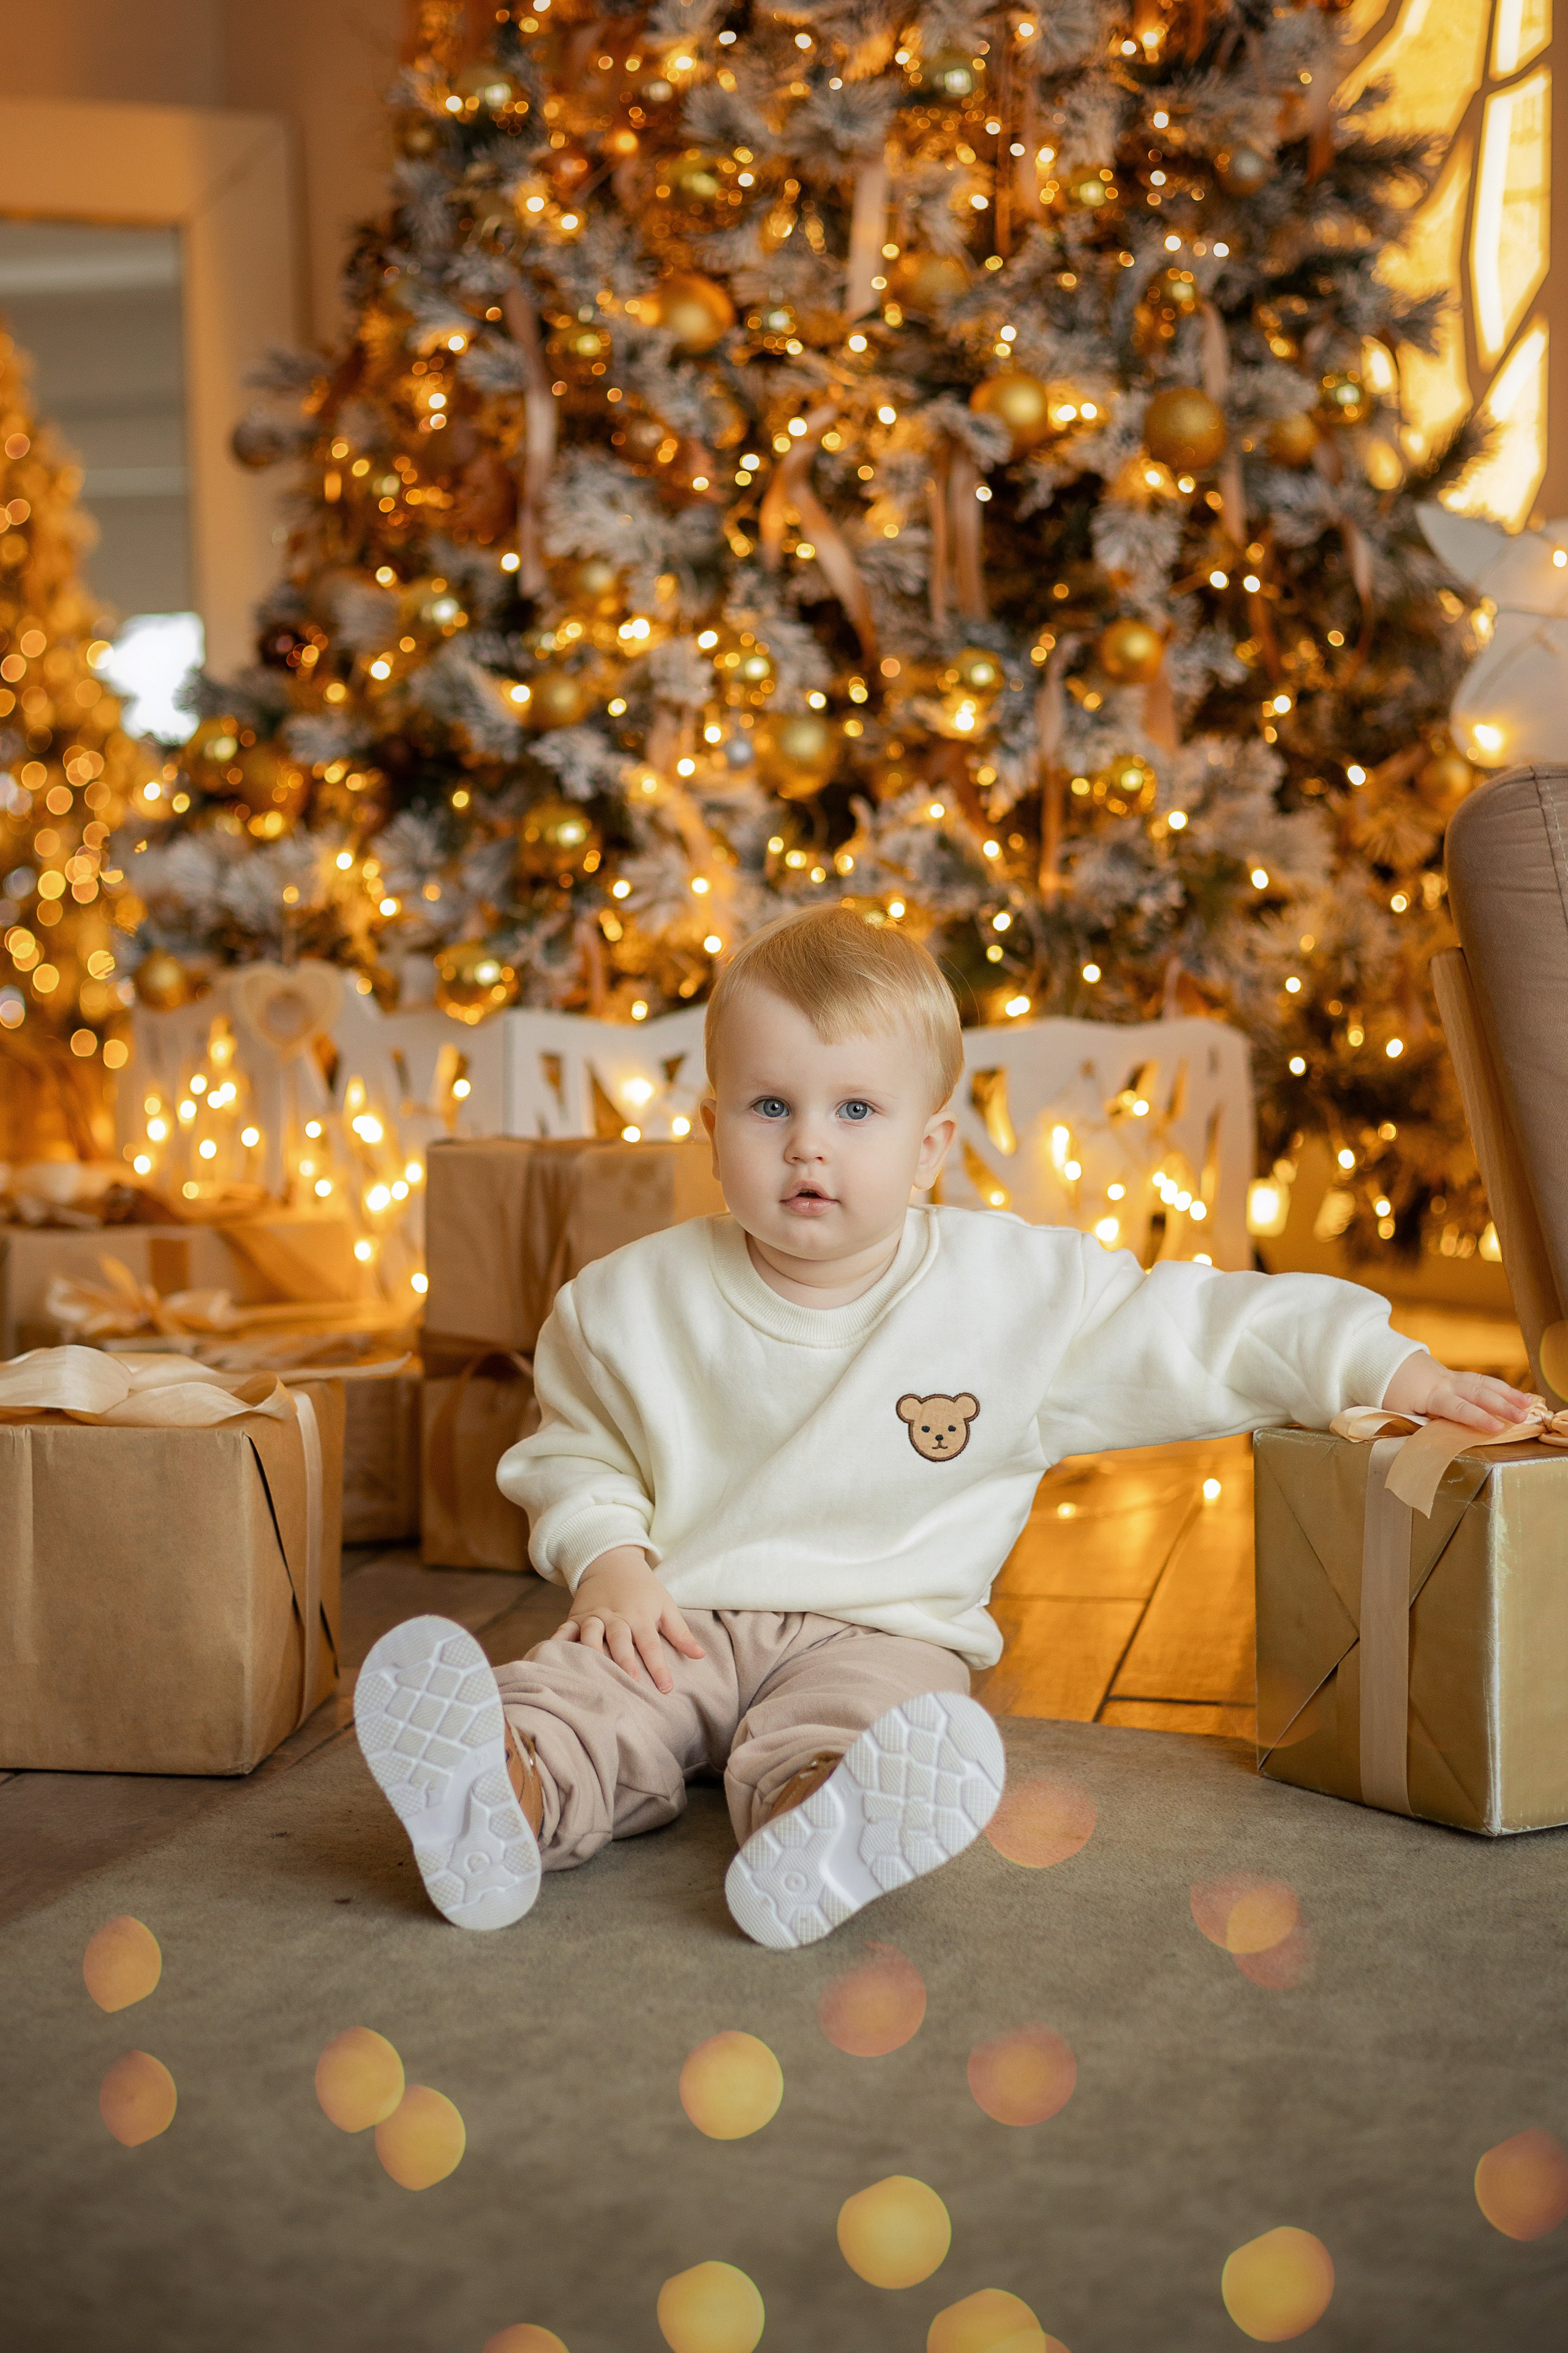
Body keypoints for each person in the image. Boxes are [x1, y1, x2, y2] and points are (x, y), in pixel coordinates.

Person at [355, 908, 1534, 1949]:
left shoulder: (1012, 1294)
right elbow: (577, 1450)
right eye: (770, 1107)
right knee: (580, 1698)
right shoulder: (626, 1301)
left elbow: (1198, 1326)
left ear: (929, 1147)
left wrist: (1384, 1361)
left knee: (866, 1721)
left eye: (855, 1110)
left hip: (881, 1625)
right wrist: (609, 1559)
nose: (808, 1144)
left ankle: (822, 1822)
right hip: (674, 1614)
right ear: (713, 1127)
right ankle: (496, 1794)